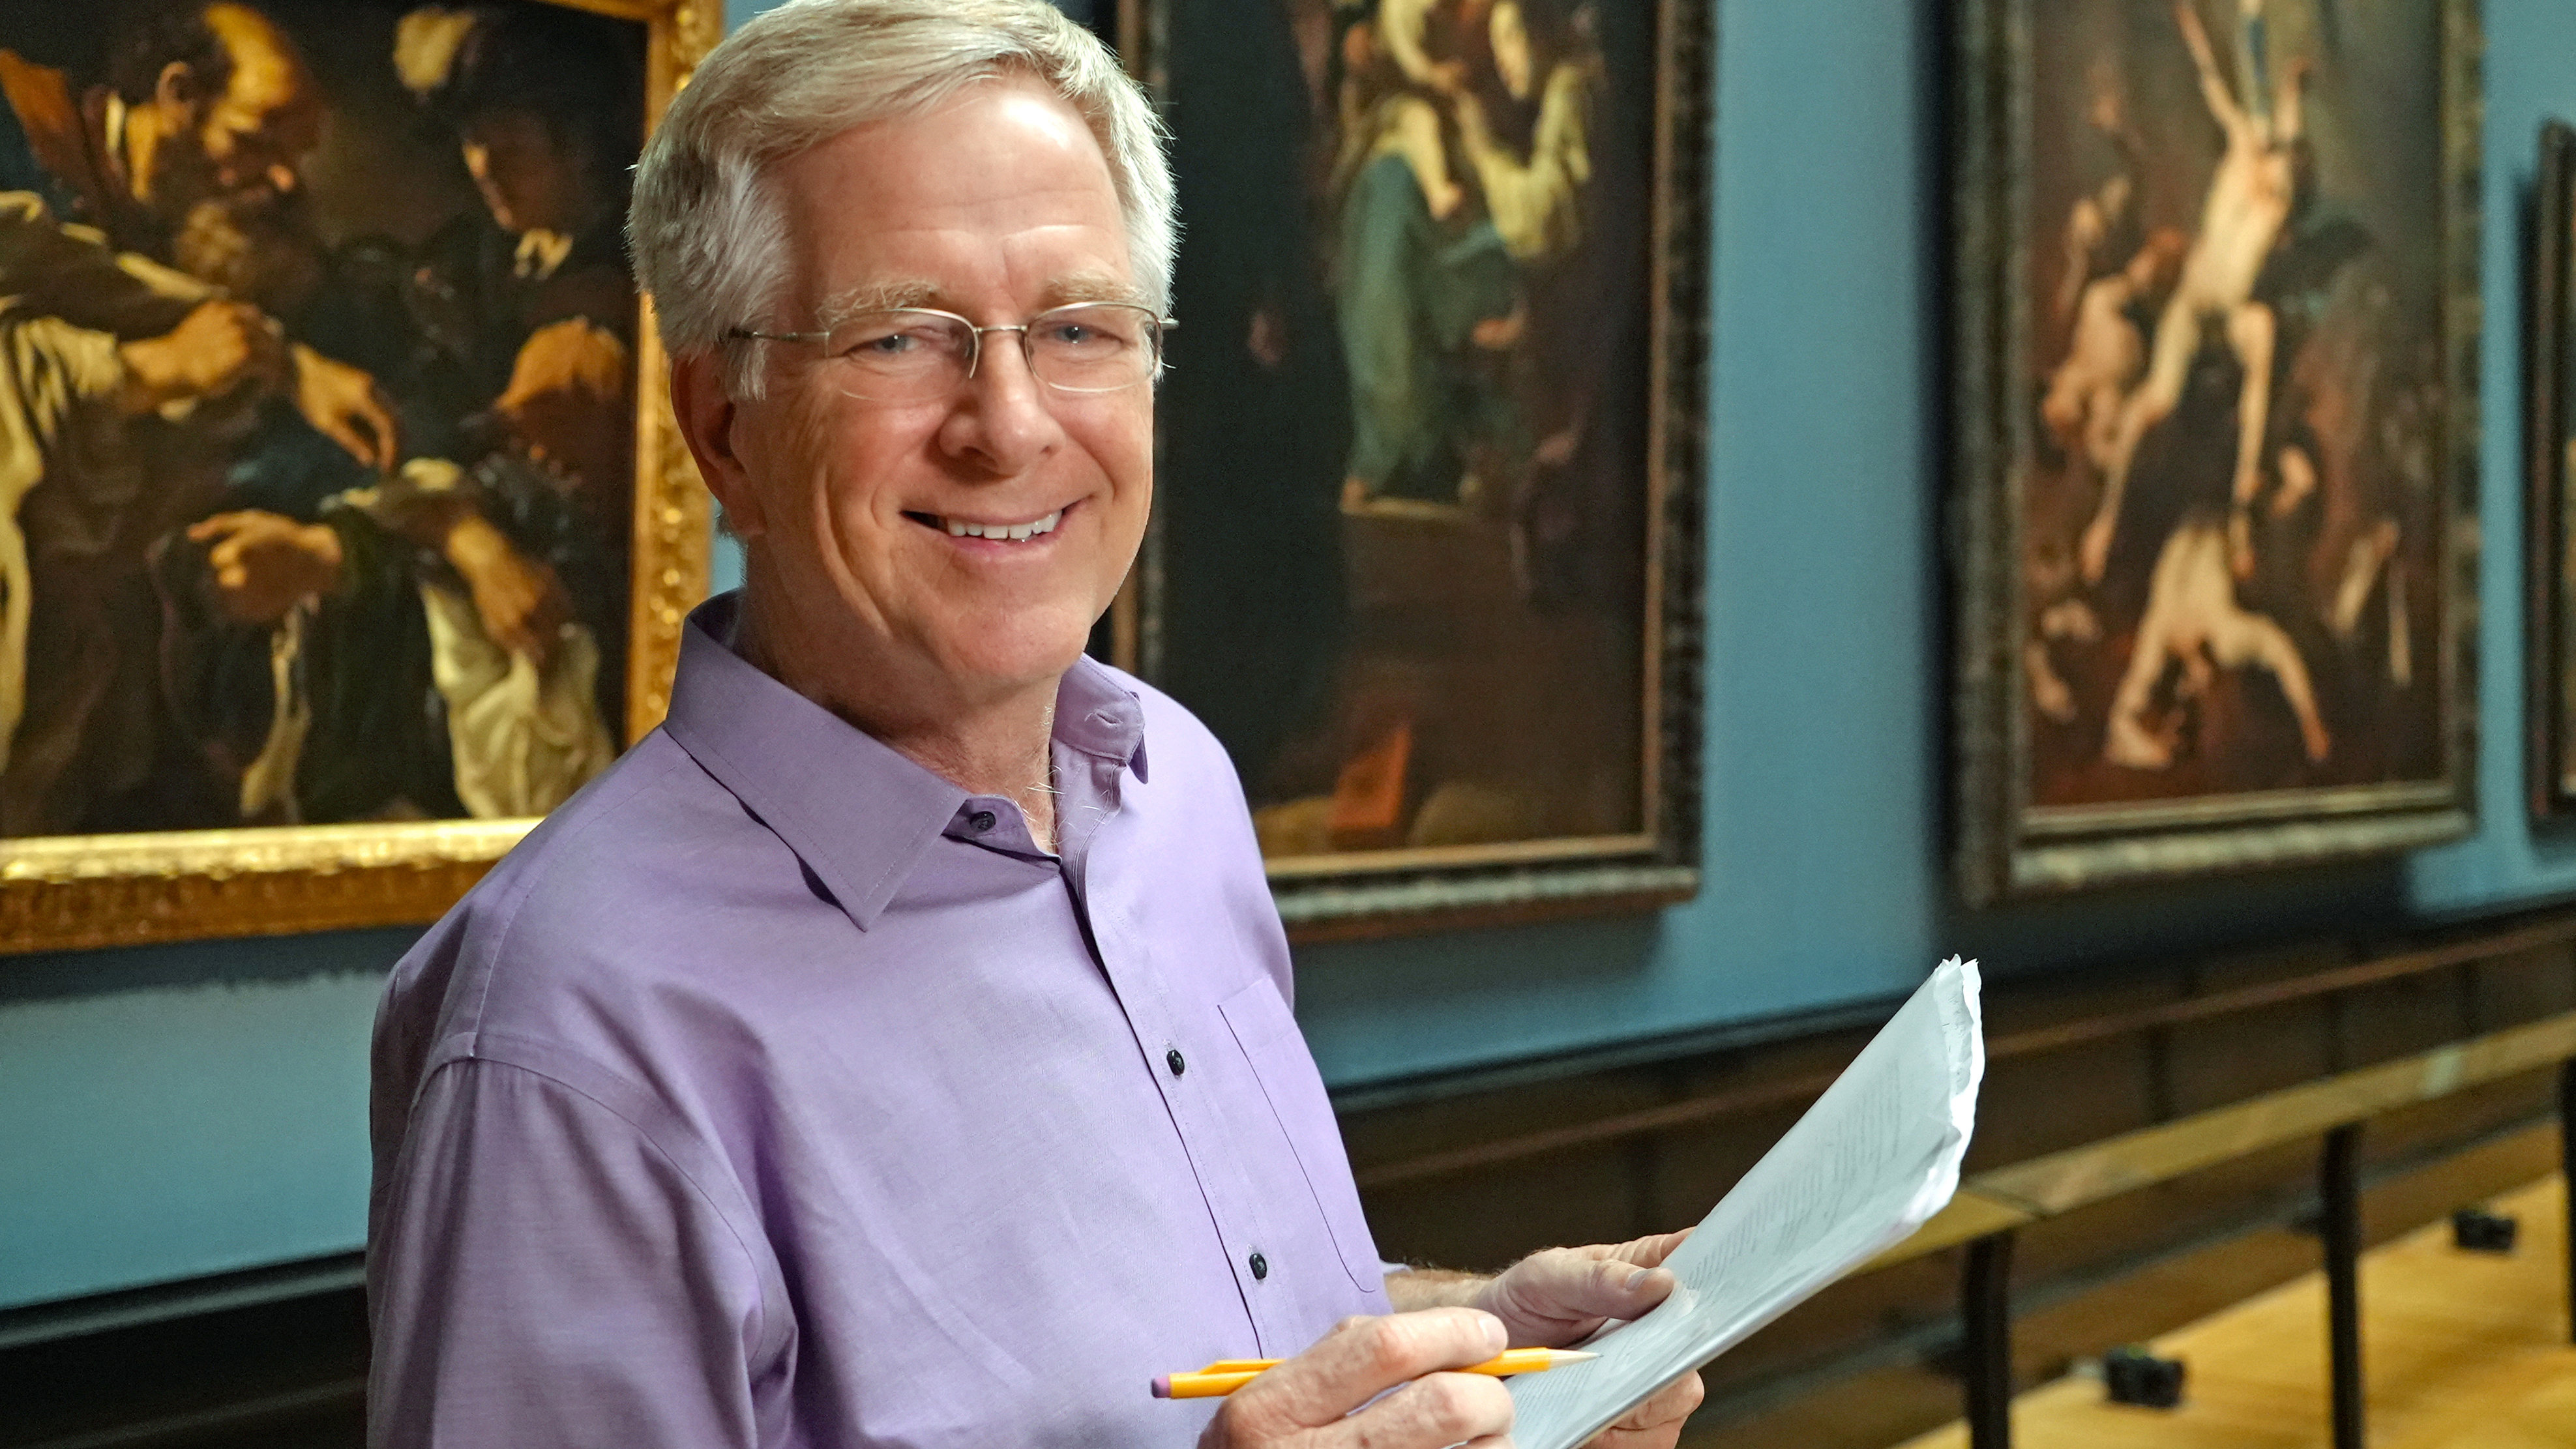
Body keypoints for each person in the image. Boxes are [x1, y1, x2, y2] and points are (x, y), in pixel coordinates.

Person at [366, 2, 1707, 1445]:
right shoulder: (569, 1035)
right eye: (898, 336)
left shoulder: (1173, 784)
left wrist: (1479, 1341)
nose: (1006, 424)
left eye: (1076, 327)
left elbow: (1138, 1332)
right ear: (723, 426)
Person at [2077, 0, 2309, 589]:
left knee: (2262, 333)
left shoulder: (2276, 198)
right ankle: (2106, 520)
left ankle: (2242, 504)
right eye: (2276, 159)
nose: (2277, 175)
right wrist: (2198, 25)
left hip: (2227, 313)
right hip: (2191, 307)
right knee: (2153, 405)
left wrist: (2292, 94)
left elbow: (2283, 117)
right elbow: (2220, 78)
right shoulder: (2241, 151)